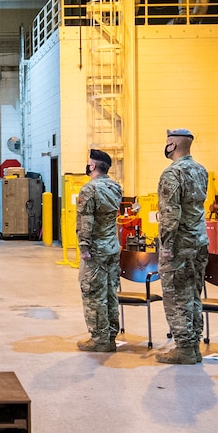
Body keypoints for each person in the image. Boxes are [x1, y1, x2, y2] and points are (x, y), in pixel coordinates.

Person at [154, 128, 210, 364]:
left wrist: (166, 245)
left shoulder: (172, 174)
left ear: (173, 145)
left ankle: (184, 349)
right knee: (193, 294)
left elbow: (170, 214)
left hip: (179, 244)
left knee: (176, 295)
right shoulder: (201, 170)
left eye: (168, 142)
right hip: (199, 241)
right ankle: (194, 344)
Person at [75, 149, 123, 352]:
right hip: (112, 247)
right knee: (111, 292)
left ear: (93, 166)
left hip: (95, 250)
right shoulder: (116, 187)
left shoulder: (89, 189)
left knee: (94, 293)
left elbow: (86, 221)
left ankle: (99, 339)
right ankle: (111, 334)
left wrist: (84, 246)